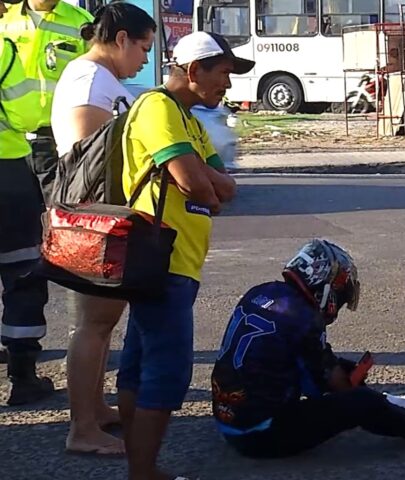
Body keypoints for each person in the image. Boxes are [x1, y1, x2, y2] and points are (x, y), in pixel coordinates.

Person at [115, 31, 245, 480]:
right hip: (161, 260)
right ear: (193, 71)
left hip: (177, 261)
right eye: (223, 74)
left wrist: (205, 179)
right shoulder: (157, 108)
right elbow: (196, 184)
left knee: (139, 363)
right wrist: (202, 179)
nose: (227, 86)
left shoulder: (188, 119)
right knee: (166, 372)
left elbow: (224, 185)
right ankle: (144, 471)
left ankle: (138, 467)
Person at [212, 239, 405, 458]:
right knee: (360, 401)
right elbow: (321, 386)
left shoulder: (262, 291)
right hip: (260, 435)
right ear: (325, 286)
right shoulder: (304, 317)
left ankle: (385, 403)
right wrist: (363, 397)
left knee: (330, 364)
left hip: (231, 419)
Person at [49, 2, 156, 455]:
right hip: (95, 219)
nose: (146, 60)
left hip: (103, 217)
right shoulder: (90, 79)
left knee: (99, 322)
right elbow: (87, 152)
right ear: (121, 39)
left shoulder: (101, 78)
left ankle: (94, 409)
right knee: (92, 324)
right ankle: (82, 428)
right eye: (144, 48)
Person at [0, 0, 91, 405]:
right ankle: (22, 375)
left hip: (53, 142)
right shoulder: (5, 33)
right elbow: (19, 111)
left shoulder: (80, 23)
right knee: (22, 267)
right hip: (11, 157)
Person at [0, 0, 51, 407]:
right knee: (22, 272)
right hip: (7, 173)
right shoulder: (2, 47)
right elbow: (27, 113)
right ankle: (23, 376)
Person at [0, 0, 93, 202]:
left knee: (55, 215)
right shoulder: (4, 16)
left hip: (53, 141)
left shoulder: (83, 23)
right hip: (10, 145)